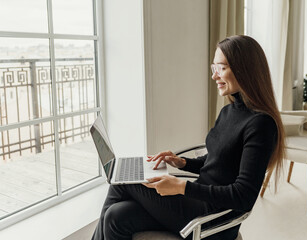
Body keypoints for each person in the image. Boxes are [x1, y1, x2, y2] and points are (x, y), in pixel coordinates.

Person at [91, 35, 285, 240]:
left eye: (221, 68)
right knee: (116, 216)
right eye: (214, 68)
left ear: (244, 69)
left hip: (214, 219)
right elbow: (218, 162)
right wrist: (181, 163)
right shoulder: (228, 112)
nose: (214, 76)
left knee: (123, 181)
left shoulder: (261, 124)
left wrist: (181, 186)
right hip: (198, 201)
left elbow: (243, 196)